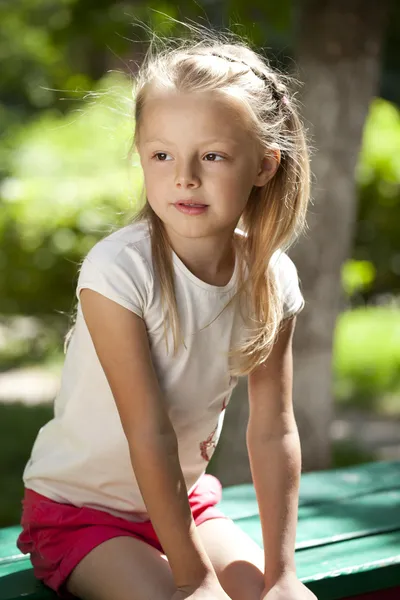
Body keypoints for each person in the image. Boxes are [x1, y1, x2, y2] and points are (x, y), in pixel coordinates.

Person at [17, 21, 317, 600]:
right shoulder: (118, 272)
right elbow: (148, 433)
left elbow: (272, 429)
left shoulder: (271, 278)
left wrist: (282, 576)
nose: (185, 176)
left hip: (185, 504)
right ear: (141, 155)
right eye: (162, 154)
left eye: (212, 155)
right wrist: (193, 575)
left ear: (264, 166)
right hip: (82, 513)